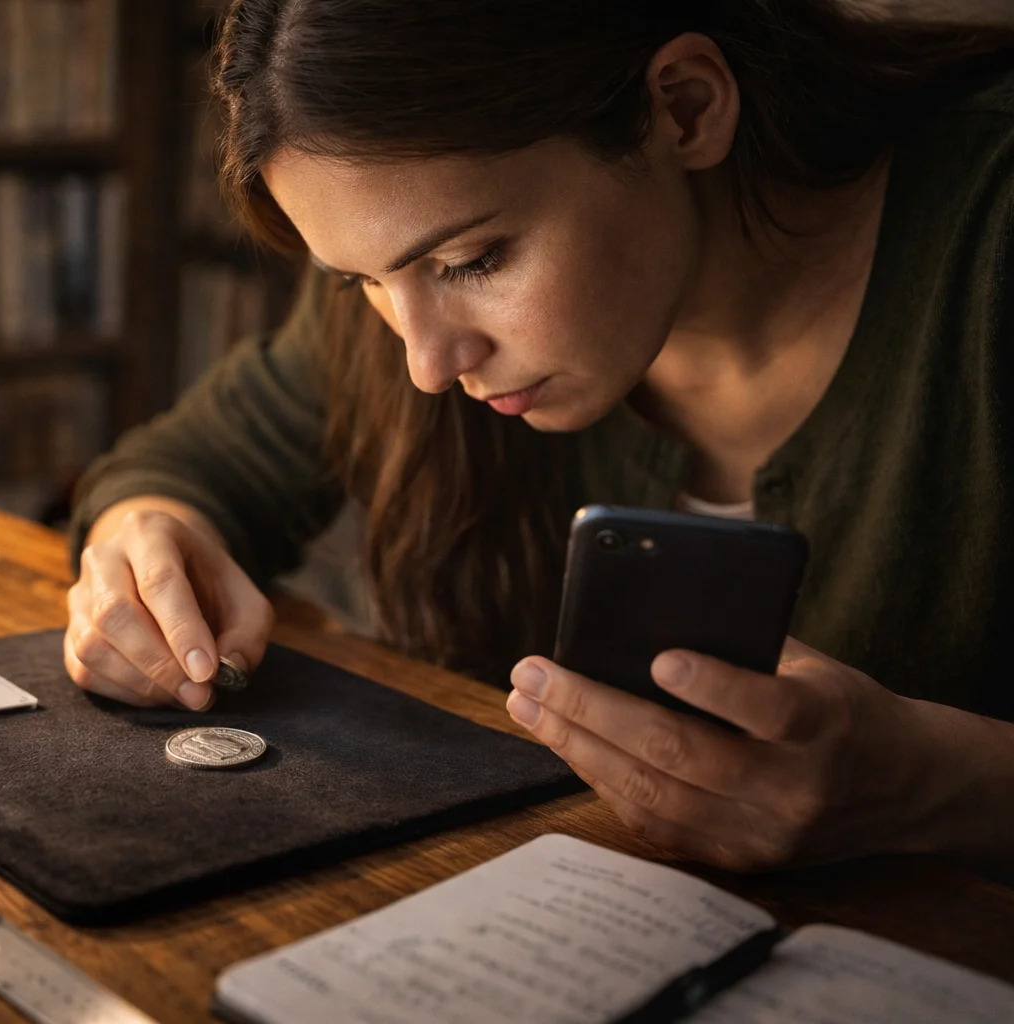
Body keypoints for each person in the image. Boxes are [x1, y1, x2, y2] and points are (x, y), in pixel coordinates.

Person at [63, 0, 1014, 873]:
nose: (427, 365)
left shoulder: (987, 241)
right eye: (362, 283)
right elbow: (189, 463)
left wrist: (939, 785)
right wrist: (142, 541)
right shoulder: (412, 277)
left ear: (683, 109)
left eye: (474, 261)